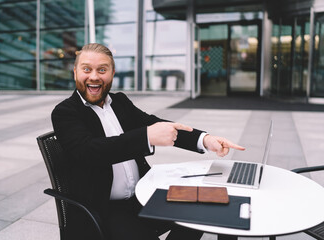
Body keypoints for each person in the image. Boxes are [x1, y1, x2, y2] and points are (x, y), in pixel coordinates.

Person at [51, 43, 245, 240]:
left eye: (102, 69)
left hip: (143, 195)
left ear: (112, 73)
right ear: (75, 72)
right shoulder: (65, 113)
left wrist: (205, 140)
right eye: (86, 69)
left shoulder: (119, 102)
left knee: (202, 212)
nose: (94, 76)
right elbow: (89, 151)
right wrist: (146, 137)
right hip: (105, 208)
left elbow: (153, 123)